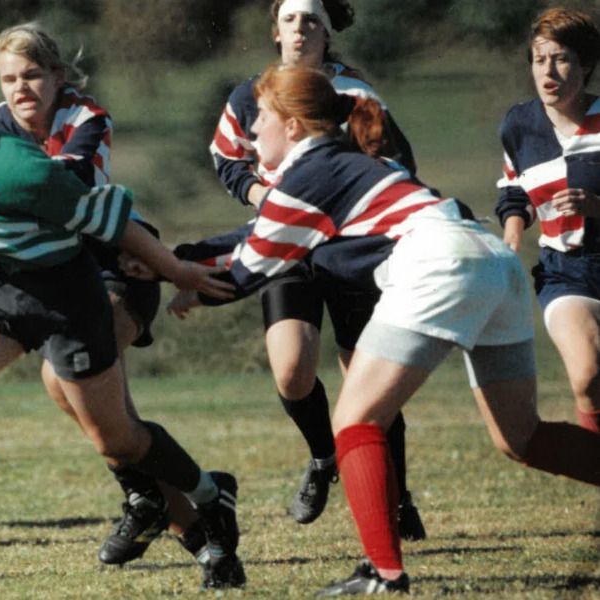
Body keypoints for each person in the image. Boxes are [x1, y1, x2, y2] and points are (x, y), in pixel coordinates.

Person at [170, 64, 600, 595]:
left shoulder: (310, 173)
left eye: (259, 117)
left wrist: (174, 274)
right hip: (491, 258)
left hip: (440, 261)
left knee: (353, 420)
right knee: (523, 438)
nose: (250, 131)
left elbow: (244, 272)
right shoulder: (341, 165)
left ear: (295, 126)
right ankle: (384, 570)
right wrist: (174, 261)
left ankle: (385, 574)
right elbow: (254, 236)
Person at [0, 31, 245, 590]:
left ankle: (209, 496)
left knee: (118, 439)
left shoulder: (19, 164)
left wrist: (179, 272)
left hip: (73, 295)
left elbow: (109, 221)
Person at [0, 22, 204, 566]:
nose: (21, 88)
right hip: (60, 274)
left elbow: (59, 185)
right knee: (113, 424)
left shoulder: (86, 118)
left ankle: (163, 498)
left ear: (58, 75)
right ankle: (195, 523)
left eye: (33, 74)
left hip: (118, 268)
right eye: (9, 78)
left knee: (63, 377)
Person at [205, 0, 424, 538]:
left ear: (327, 32)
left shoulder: (356, 95)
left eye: (310, 20)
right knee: (291, 371)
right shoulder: (248, 95)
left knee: (366, 381)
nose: (299, 29)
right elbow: (226, 157)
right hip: (285, 246)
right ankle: (324, 457)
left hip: (349, 253)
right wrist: (262, 194)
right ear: (274, 31)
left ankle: (396, 500)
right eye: (289, 19)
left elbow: (398, 165)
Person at [496, 7, 600, 434]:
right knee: (588, 376)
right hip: (566, 271)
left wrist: (596, 205)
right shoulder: (520, 125)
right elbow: (514, 190)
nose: (548, 70)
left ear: (586, 65)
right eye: (540, 59)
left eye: (560, 59)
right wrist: (512, 232)